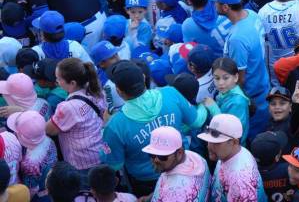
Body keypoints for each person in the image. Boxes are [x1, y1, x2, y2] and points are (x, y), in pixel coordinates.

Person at [101, 61, 197, 196]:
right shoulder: (171, 93)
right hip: (183, 165)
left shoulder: (115, 125)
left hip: (147, 183)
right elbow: (195, 121)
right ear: (144, 78)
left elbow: (114, 164)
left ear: (118, 91)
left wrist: (104, 129)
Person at [205, 0, 270, 137]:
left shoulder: (237, 39)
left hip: (250, 97)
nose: (213, 5)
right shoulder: (251, 15)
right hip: (262, 86)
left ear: (225, 7)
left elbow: (239, 79)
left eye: (216, 2)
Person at [45, 58, 106, 173]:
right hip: (100, 152)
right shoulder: (96, 90)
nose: (56, 81)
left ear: (72, 83)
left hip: (82, 163)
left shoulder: (68, 107)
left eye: (58, 78)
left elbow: (49, 130)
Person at [198, 113, 267, 202]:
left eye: (217, 142)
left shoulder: (240, 181)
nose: (209, 146)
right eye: (209, 140)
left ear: (234, 142)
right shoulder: (230, 153)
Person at [141, 126, 211, 201]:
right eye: (152, 154)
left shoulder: (175, 194)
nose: (156, 160)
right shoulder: (195, 158)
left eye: (162, 156)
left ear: (179, 153)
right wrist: (149, 198)